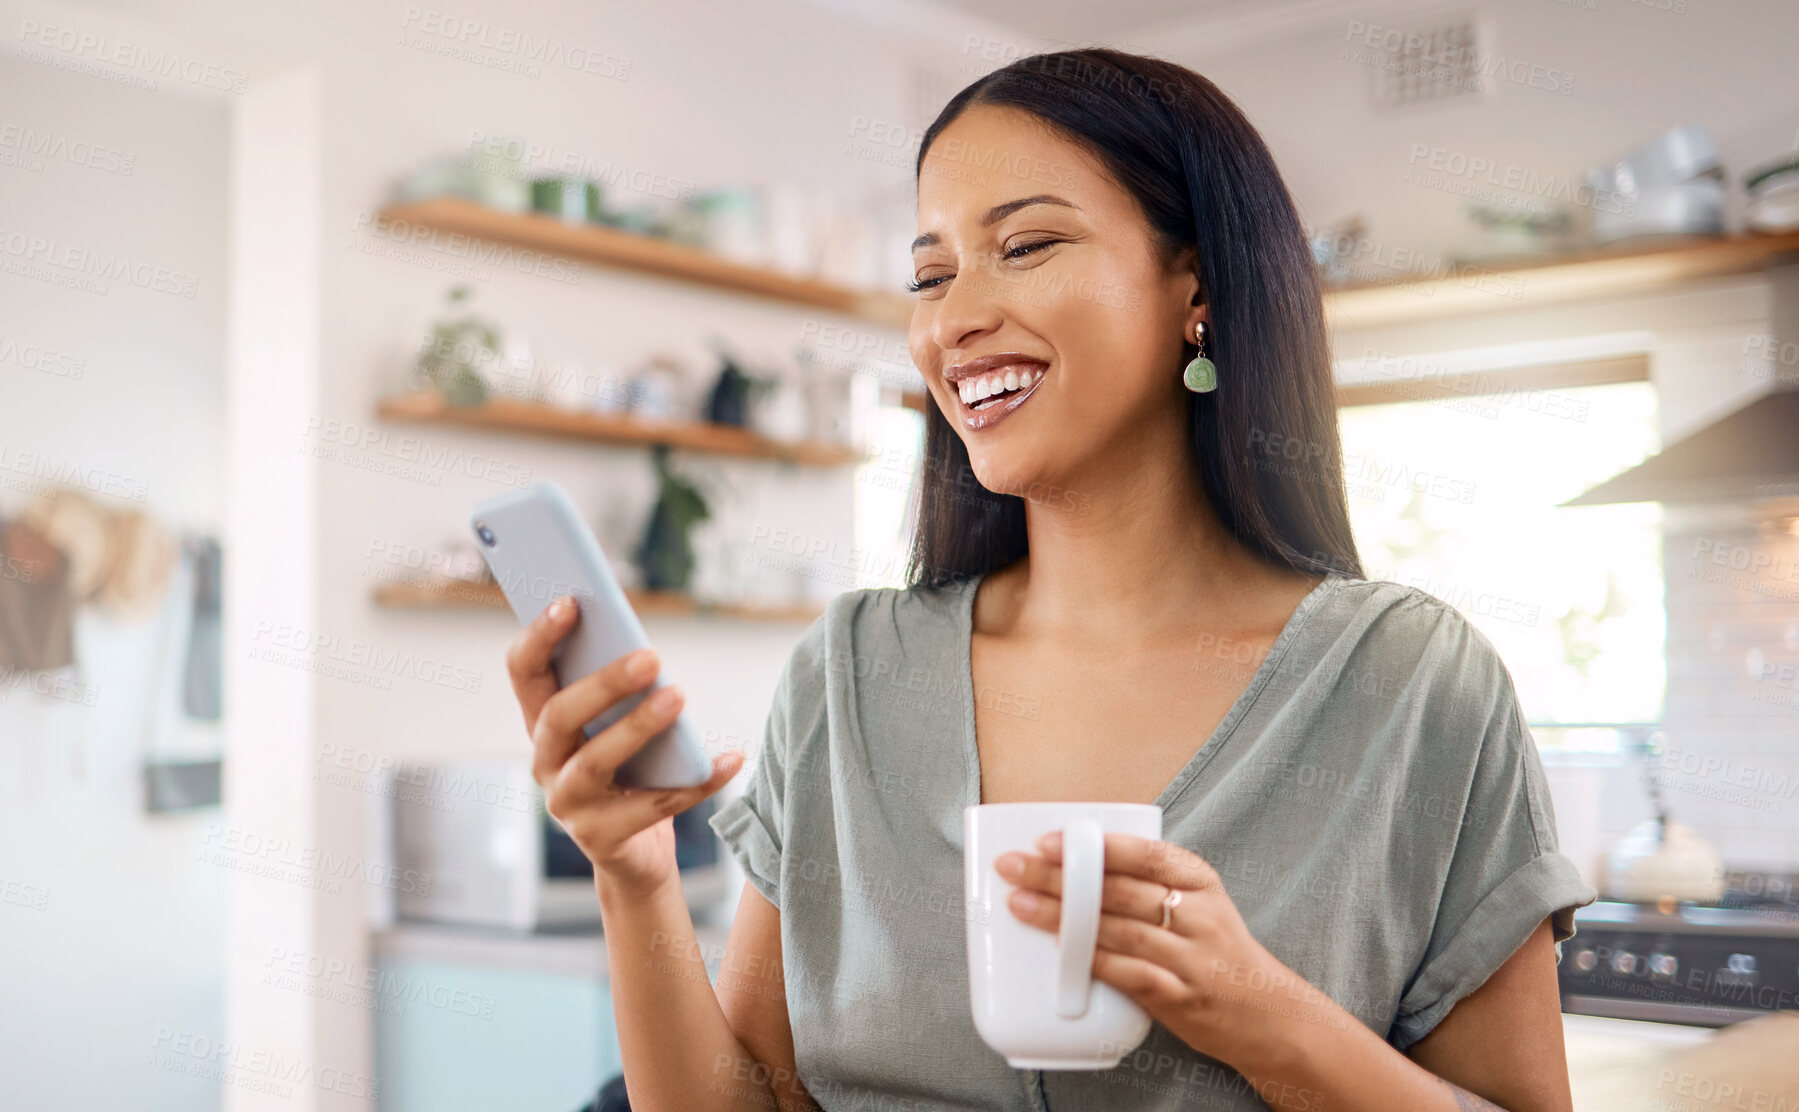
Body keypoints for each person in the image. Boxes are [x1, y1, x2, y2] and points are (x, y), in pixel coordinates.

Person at [507, 47, 1596, 1112]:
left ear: (1197, 286)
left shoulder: (1411, 682)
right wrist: (634, 876)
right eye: (930, 273)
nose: (952, 318)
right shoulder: (848, 676)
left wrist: (1260, 1010)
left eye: (1023, 244)